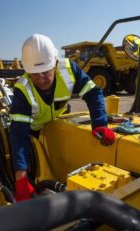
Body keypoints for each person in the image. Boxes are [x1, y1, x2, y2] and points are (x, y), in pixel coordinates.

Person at [9, 34, 115, 201]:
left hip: (58, 120)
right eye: (35, 74)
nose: (41, 79)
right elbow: (18, 133)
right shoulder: (22, 89)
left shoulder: (69, 70)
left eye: (45, 72)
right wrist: (21, 177)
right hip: (33, 132)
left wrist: (100, 124)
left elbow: (93, 93)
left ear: (55, 63)